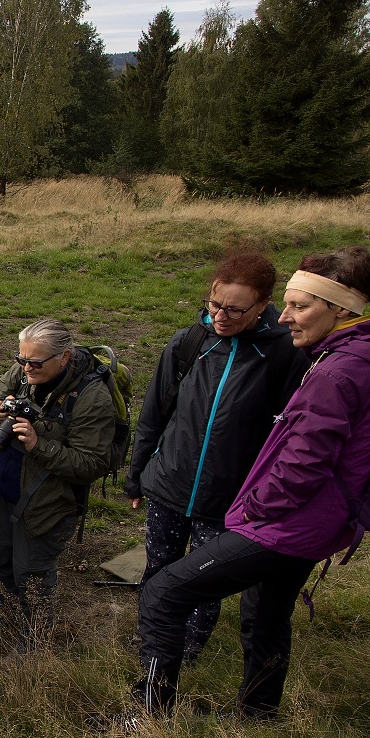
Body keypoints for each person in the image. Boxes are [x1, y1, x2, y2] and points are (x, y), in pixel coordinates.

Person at [106, 246, 370, 727]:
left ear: (340, 309)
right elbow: (162, 410)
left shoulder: (338, 370)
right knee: (265, 612)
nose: (288, 317)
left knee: (166, 591)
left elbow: (305, 459)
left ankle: (147, 715)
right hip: (303, 518)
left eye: (299, 307)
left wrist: (250, 507)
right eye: (290, 304)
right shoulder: (353, 355)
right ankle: (257, 716)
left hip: (287, 522)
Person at [124, 251, 307, 666]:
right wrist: (136, 476)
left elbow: (286, 435)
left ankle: (188, 654)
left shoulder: (283, 355)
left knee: (204, 581)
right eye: (215, 304)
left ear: (263, 306)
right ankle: (152, 649)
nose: (222, 316)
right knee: (160, 569)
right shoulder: (188, 343)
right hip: (169, 485)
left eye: (236, 309)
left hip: (228, 498)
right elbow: (154, 414)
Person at [0, 319, 117, 643]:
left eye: (34, 362)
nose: (26, 368)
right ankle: (5, 612)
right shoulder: (22, 373)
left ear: (63, 357)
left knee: (32, 573)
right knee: (3, 559)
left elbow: (92, 463)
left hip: (48, 503)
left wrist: (39, 445)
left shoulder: (92, 397)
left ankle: (34, 639)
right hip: (4, 489)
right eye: (21, 360)